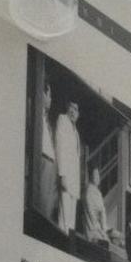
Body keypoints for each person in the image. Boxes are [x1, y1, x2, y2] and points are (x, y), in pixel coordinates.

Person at [53, 98, 82, 237]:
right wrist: (62, 174)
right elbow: (60, 148)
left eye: (76, 109)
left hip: (74, 183)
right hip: (66, 178)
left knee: (71, 224)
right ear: (67, 108)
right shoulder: (62, 120)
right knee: (63, 221)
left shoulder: (76, 132)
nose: (73, 111)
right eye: (71, 107)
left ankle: (68, 245)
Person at [37, 81, 58, 223]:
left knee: (49, 204)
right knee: (43, 201)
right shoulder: (37, 113)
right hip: (43, 159)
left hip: (51, 162)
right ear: (43, 95)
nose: (50, 99)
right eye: (49, 95)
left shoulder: (47, 119)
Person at [82, 166, 109, 245]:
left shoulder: (98, 193)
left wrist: (104, 229)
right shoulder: (88, 191)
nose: (97, 177)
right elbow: (92, 215)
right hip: (92, 228)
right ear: (91, 176)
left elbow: (103, 211)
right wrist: (101, 231)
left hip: (100, 228)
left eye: (98, 175)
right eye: (95, 175)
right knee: (106, 244)